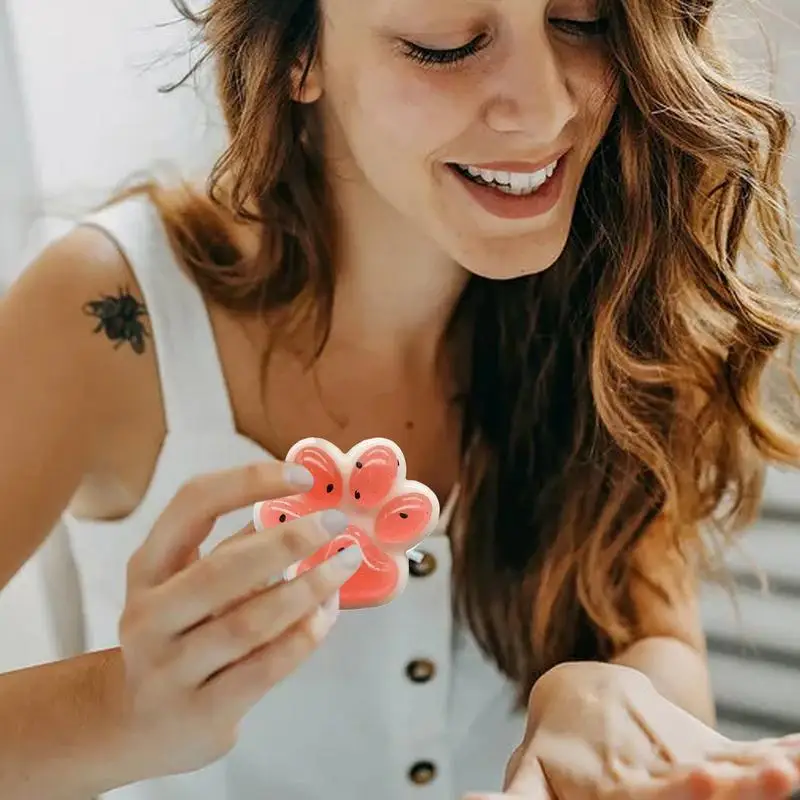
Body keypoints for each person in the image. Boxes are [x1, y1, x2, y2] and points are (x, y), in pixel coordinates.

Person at [1, 0, 799, 798]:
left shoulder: (613, 287)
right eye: (445, 45)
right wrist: (124, 710)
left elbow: (656, 637)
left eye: (581, 22)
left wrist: (607, 695)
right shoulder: (108, 315)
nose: (546, 107)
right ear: (295, 53)